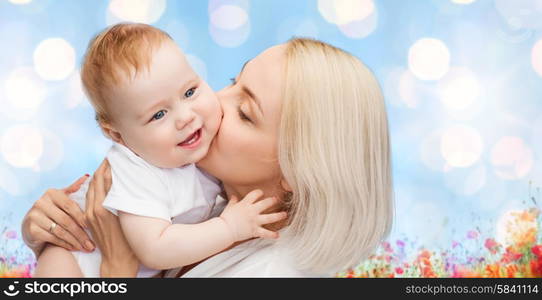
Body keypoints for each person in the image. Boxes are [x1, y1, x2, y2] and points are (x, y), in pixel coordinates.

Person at [22, 37, 394, 277]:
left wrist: (117, 269)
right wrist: (55, 229)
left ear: (298, 170)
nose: (214, 102)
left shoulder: (270, 273)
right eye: (233, 81)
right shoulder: (207, 195)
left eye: (245, 113)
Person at [30, 23, 286, 277]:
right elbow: (156, 248)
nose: (185, 117)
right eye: (159, 114)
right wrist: (229, 227)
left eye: (189, 91)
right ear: (118, 135)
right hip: (75, 257)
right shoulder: (136, 172)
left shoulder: (197, 157)